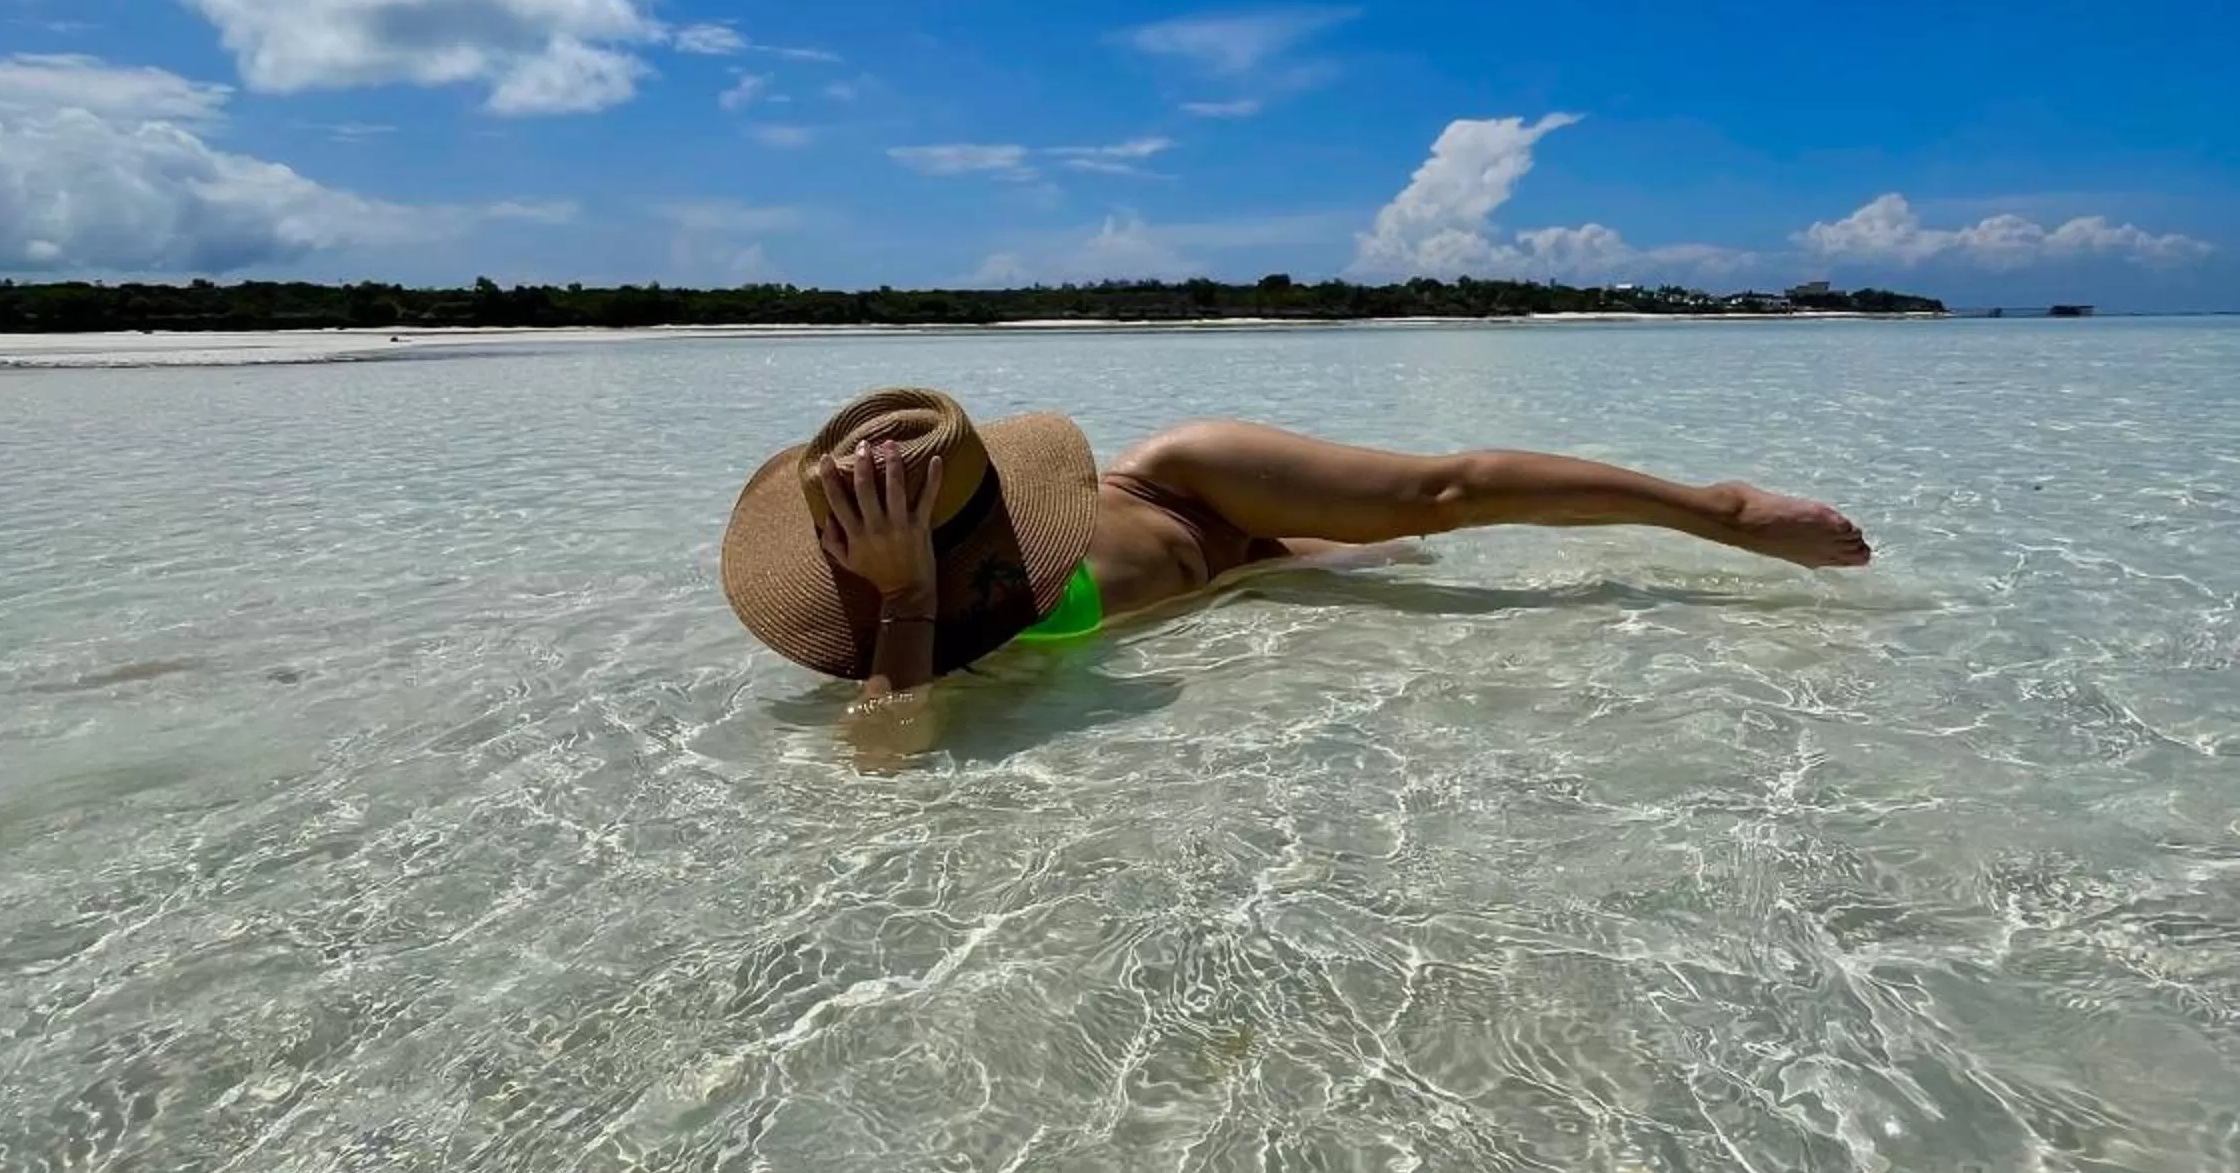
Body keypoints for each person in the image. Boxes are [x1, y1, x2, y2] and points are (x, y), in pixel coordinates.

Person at [719, 386, 1871, 698]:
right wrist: (905, 596)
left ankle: (1714, 510)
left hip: (1187, 493)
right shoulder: (887, 625)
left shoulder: (1168, 475)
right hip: (1256, 572)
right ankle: (1322, 562)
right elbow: (886, 774)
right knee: (1391, 567)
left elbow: (1457, 482)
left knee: (1439, 500)